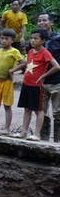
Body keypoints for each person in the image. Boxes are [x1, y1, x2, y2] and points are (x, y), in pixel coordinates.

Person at [16, 28, 60, 140]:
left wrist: (43, 76)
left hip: (37, 85)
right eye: (31, 38)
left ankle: (36, 134)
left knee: (38, 110)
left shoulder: (45, 52)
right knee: (26, 109)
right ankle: (24, 132)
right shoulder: (30, 51)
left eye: (36, 38)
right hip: (27, 84)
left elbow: (56, 66)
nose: (32, 41)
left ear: (43, 40)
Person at [0, 29, 24, 135]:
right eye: (2, 38)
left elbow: (23, 63)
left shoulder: (14, 51)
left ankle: (7, 128)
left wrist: (12, 70)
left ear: (12, 40)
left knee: (7, 106)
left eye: (6, 39)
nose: (3, 41)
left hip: (7, 81)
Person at [37, 12, 60, 141]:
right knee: (41, 110)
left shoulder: (58, 39)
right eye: (39, 20)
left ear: (51, 22)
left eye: (44, 20)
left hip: (57, 80)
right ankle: (43, 139)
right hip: (41, 81)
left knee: (58, 112)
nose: (42, 23)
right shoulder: (36, 40)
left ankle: (58, 142)